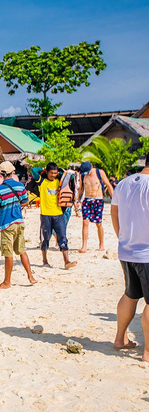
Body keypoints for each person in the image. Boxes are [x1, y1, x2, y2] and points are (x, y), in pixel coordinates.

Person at [111, 154, 149, 360]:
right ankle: (148, 351)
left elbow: (114, 213)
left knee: (130, 294)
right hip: (146, 253)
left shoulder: (124, 184)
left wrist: (122, 238)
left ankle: (120, 338)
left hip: (126, 250)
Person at [0, 162, 37, 289]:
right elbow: (25, 201)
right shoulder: (20, 186)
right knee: (22, 251)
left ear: (1, 174)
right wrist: (17, 206)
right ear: (12, 172)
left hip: (7, 223)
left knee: (8, 253)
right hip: (19, 221)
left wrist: (2, 212)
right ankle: (30, 277)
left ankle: (7, 282)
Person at [38, 163, 77, 269]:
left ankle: (67, 261)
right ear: (47, 172)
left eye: (55, 173)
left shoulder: (59, 182)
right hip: (46, 215)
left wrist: (60, 171)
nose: (53, 175)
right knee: (45, 238)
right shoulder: (42, 182)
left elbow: (71, 176)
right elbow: (34, 171)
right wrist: (43, 169)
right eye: (51, 173)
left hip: (58, 214)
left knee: (63, 237)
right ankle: (45, 260)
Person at [78, 161, 114, 252]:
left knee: (99, 224)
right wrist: (78, 200)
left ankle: (101, 244)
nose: (87, 174)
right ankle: (84, 246)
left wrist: (114, 199)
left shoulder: (99, 172)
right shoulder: (82, 175)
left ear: (91, 167)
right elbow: (81, 188)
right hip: (87, 200)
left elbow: (109, 185)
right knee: (85, 222)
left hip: (98, 200)